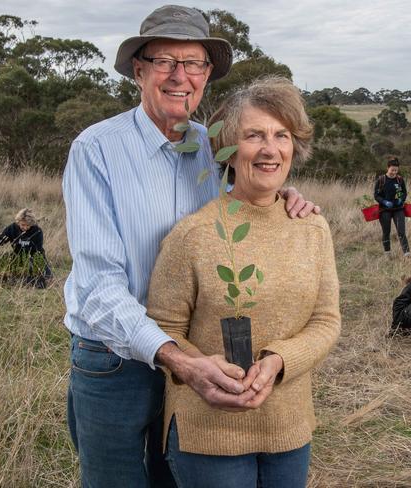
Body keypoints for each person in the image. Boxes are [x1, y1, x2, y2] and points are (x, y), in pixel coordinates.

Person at [62, 6, 318, 487]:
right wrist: (174, 358)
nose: (181, 76)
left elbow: (242, 206)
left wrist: (285, 198)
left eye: (194, 63)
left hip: (198, 355)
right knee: (114, 480)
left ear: (206, 75)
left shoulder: (213, 147)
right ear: (139, 71)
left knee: (176, 478)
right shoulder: (96, 150)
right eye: (165, 62)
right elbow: (99, 283)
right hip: (116, 358)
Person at [146, 77, 341, 488]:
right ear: (229, 150)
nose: (271, 149)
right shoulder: (193, 234)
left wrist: (280, 360)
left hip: (289, 428)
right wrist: (199, 369)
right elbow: (163, 329)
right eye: (254, 135)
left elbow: (326, 321)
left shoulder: (312, 227)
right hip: (208, 434)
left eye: (281, 135)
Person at [373, 157, 410, 256]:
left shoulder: (400, 179)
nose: (394, 172)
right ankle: (387, 254)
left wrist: (401, 199)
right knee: (386, 232)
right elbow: (376, 195)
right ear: (387, 168)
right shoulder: (381, 180)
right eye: (392, 170)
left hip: (398, 209)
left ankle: (407, 254)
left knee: (401, 232)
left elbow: (404, 192)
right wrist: (384, 201)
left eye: (396, 170)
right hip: (385, 210)